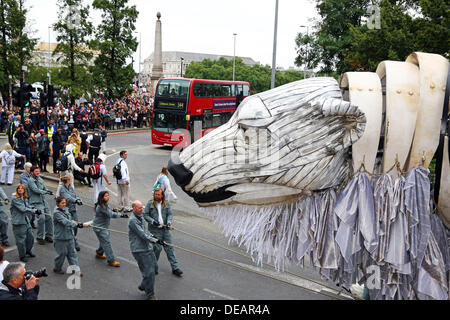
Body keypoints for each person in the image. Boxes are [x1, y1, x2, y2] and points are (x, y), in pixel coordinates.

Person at [143, 188, 183, 277]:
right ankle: (153, 267)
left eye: (158, 194)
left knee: (170, 248)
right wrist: (153, 221)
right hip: (155, 230)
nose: (156, 196)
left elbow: (170, 214)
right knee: (157, 248)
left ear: (162, 195)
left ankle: (175, 268)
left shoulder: (166, 203)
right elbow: (145, 215)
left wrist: (169, 222)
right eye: (155, 194)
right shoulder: (150, 203)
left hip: (165, 230)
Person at [128, 200, 162, 300]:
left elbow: (146, 231)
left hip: (147, 247)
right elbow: (142, 235)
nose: (141, 209)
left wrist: (154, 236)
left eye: (141, 207)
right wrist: (155, 241)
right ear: (134, 208)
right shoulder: (133, 220)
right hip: (139, 250)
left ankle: (143, 285)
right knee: (149, 272)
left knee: (154, 267)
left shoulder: (141, 216)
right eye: (139, 208)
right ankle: (150, 295)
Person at [93, 191, 128, 267]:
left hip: (104, 226)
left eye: (108, 195)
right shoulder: (101, 206)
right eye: (106, 196)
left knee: (104, 240)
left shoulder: (105, 204)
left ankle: (99, 253)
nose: (108, 197)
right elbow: (111, 214)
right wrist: (121, 215)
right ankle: (111, 260)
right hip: (99, 228)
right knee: (107, 243)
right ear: (102, 198)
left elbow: (110, 210)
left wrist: (113, 209)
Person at [52, 196, 84, 275]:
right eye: (62, 203)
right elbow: (65, 221)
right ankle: (57, 268)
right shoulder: (56, 213)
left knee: (72, 254)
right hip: (61, 238)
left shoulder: (65, 209)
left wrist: (75, 223)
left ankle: (76, 270)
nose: (64, 204)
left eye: (65, 203)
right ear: (58, 203)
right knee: (61, 255)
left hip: (69, 236)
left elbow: (69, 220)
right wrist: (76, 224)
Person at [10, 184, 38, 262]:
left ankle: (28, 251)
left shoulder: (24, 197)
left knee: (31, 237)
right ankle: (22, 255)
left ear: (24, 190)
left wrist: (34, 209)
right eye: (18, 188)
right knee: (21, 241)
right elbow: (22, 209)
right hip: (18, 222)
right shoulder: (15, 198)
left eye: (22, 188)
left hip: (25, 220)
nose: (20, 189)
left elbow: (27, 206)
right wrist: (34, 211)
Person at [28, 166, 53, 245]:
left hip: (43, 201)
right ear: (32, 172)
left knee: (49, 217)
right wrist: (45, 192)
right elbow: (36, 190)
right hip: (36, 202)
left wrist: (48, 190)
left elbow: (44, 188)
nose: (38, 173)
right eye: (36, 171)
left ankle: (48, 235)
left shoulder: (40, 179)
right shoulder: (31, 180)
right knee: (41, 218)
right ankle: (39, 237)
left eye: (38, 171)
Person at [59, 175, 83, 251]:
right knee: (70, 226)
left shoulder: (70, 187)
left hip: (73, 209)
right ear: (68, 181)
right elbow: (67, 197)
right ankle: (73, 242)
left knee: (75, 225)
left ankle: (71, 239)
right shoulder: (62, 189)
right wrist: (75, 201)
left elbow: (74, 195)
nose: (71, 180)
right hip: (67, 210)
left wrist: (78, 199)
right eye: (70, 179)